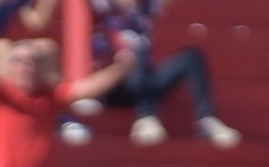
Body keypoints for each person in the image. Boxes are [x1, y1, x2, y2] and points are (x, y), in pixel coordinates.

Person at [0, 37, 133, 167]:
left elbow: (86, 88)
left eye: (33, 61)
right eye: (19, 60)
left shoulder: (48, 96)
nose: (26, 66)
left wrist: (121, 67)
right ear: (9, 66)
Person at [88, 0, 241, 148]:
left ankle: (207, 119)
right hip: (111, 84)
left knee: (192, 57)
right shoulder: (103, 7)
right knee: (135, 53)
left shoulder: (147, 6)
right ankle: (146, 116)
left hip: (143, 79)